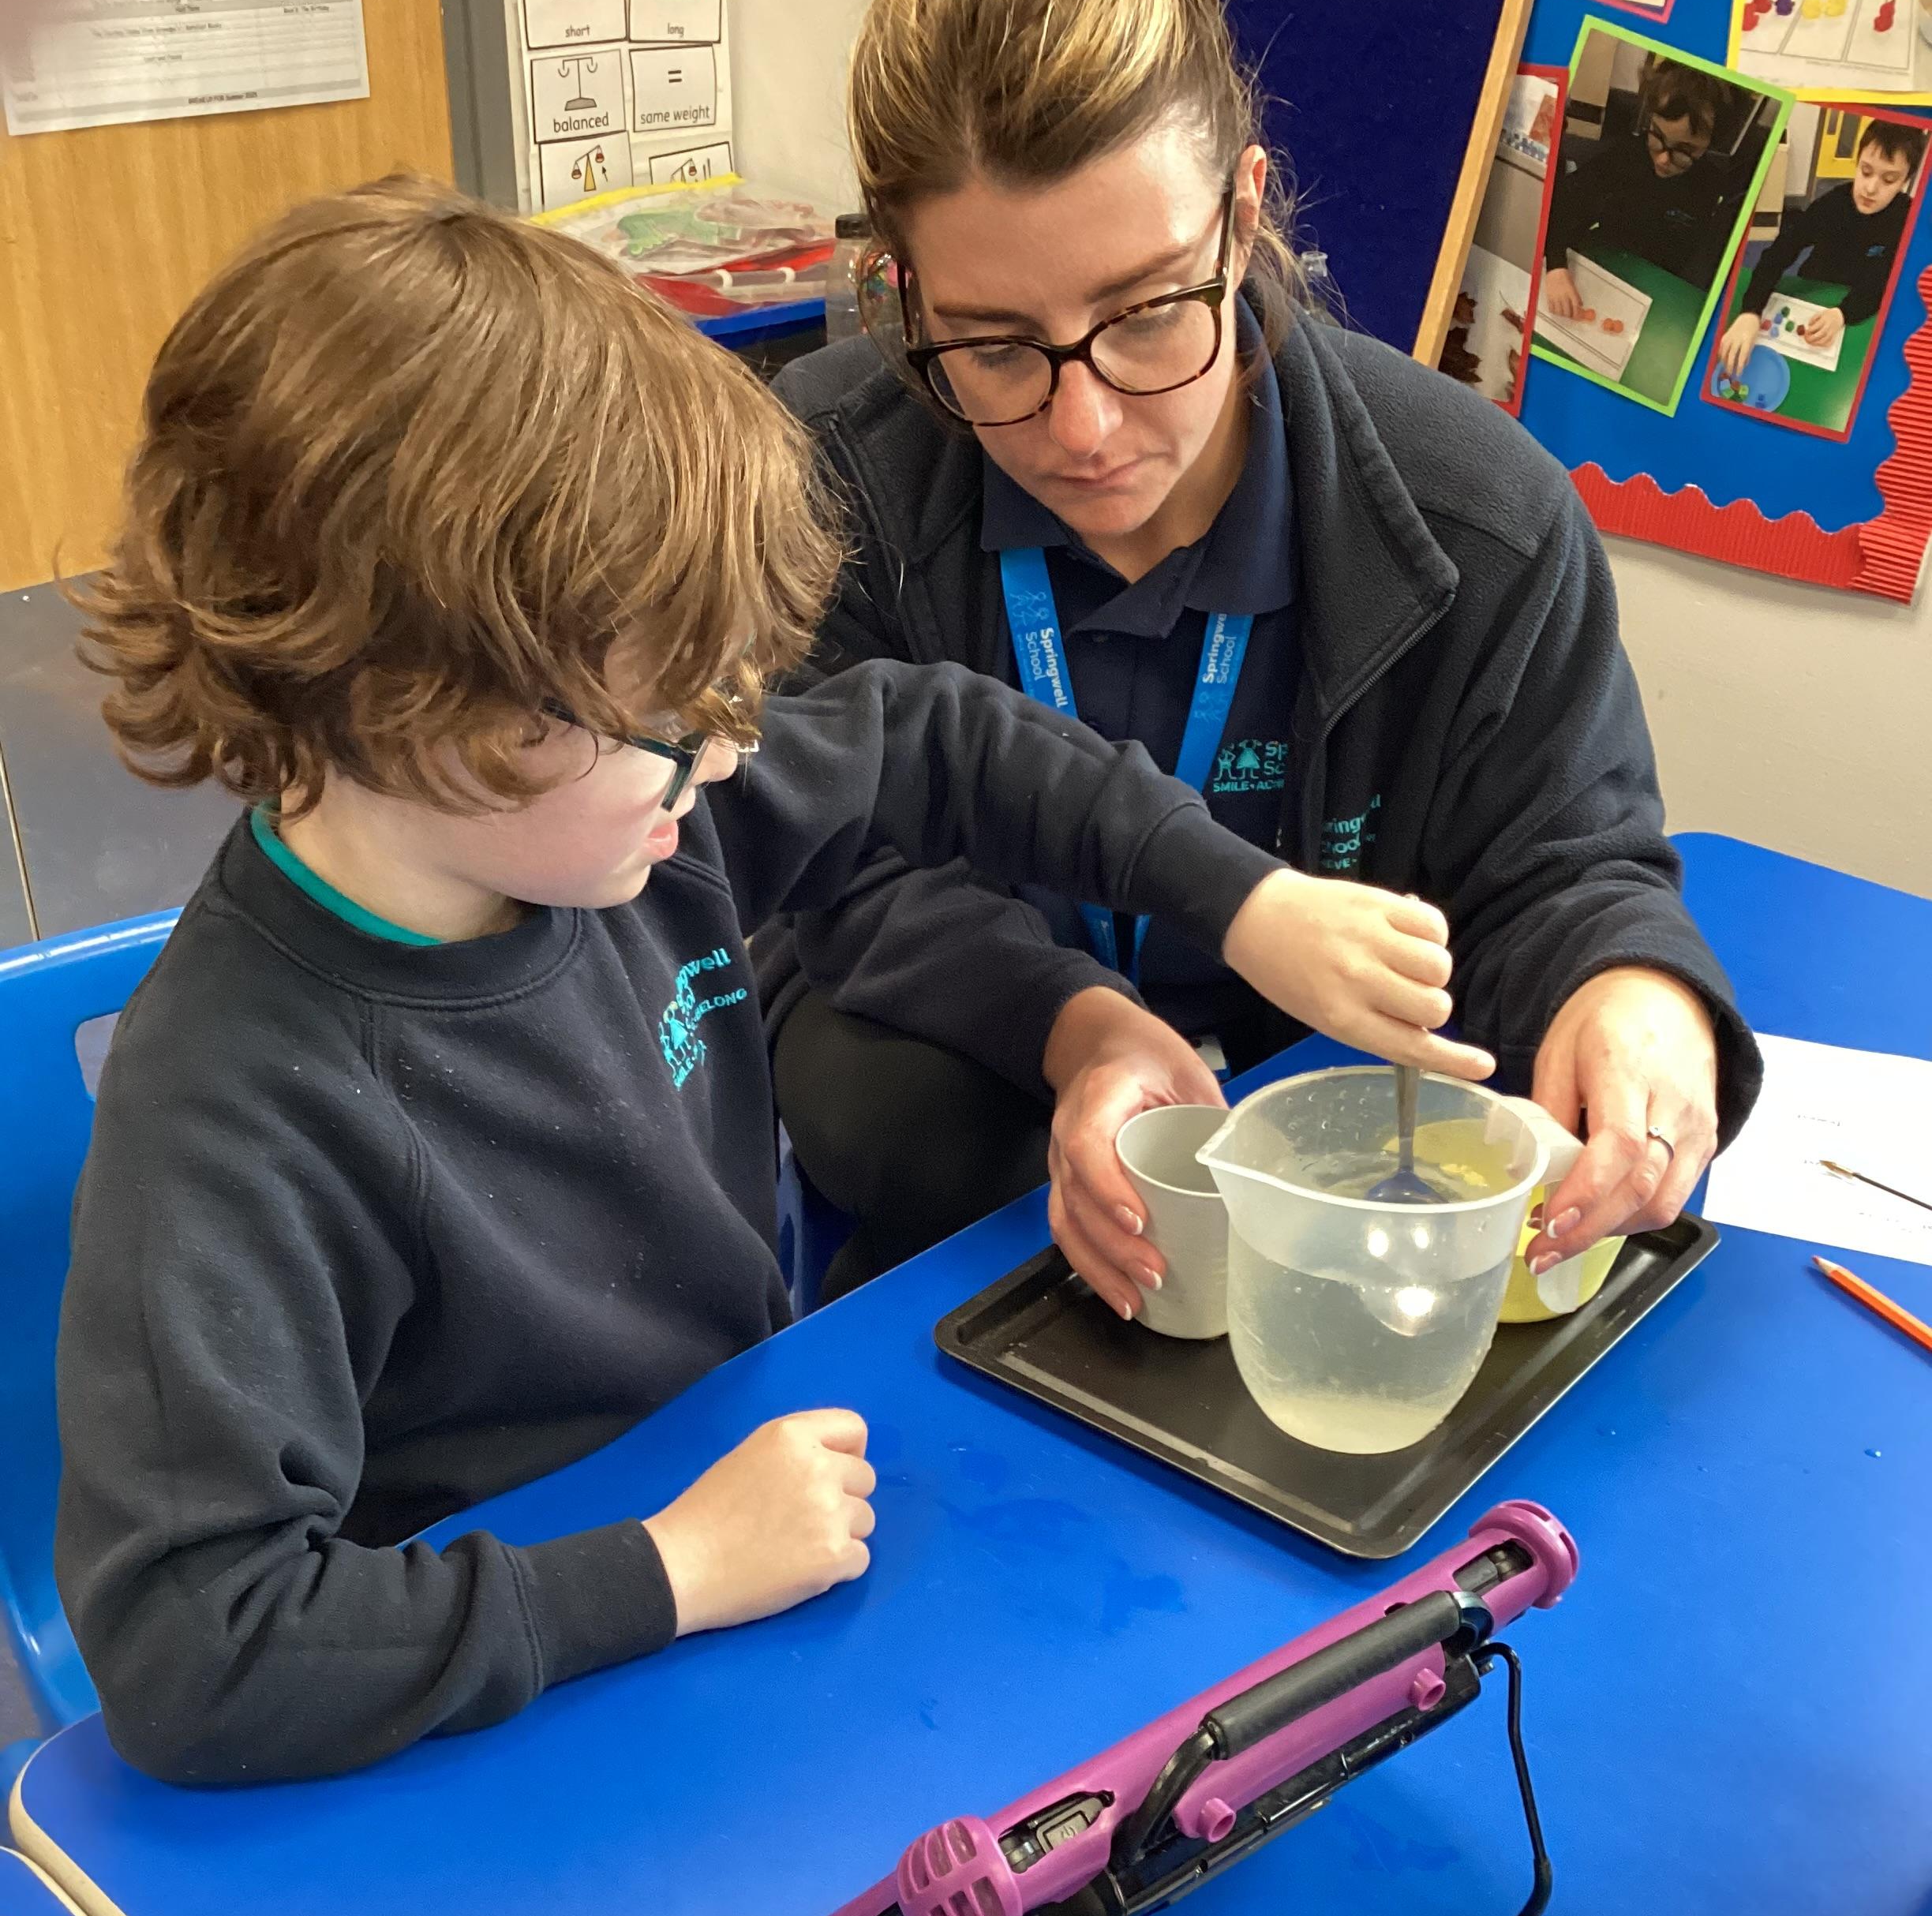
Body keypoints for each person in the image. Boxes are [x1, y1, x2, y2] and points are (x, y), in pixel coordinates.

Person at [54, 177, 1398, 1786]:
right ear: (424, 709)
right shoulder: (237, 1108)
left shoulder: (617, 824)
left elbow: (940, 735)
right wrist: (668, 1569)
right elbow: (194, 1647)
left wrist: (1238, 898)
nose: (731, 751)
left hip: (751, 1517)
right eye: (674, 718)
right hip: (514, 1702)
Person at [762, 0, 1759, 1315]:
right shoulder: (819, 484)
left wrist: (1633, 992)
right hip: (973, 1141)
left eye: (1146, 314)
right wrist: (1077, 1026)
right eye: (992, 347)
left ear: (1241, 218)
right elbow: (836, 870)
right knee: (907, 1108)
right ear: (901, 291)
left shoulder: (1487, 522)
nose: (1083, 427)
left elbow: (1567, 863)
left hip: (1350, 1188)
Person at [1713, 118, 1922, 384]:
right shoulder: (1832, 205)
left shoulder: (1908, 219)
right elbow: (1778, 254)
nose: (1870, 188)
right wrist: (1751, 311)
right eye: (1866, 171)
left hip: (1861, 304)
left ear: (1905, 181)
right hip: (1814, 283)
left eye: (1889, 179)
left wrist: (1844, 313)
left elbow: (1888, 280)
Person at [1542, 63, 1739, 318]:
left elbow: (1705, 266)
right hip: (1601, 265)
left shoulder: (1712, 187)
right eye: (1657, 135)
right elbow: (1561, 204)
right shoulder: (1625, 158)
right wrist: (1556, 266)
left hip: (1661, 287)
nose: (1663, 160)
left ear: (1711, 144)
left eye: (1685, 150)